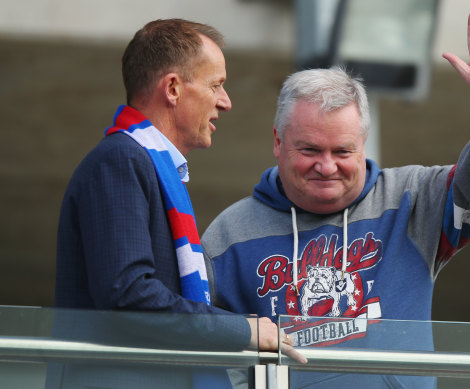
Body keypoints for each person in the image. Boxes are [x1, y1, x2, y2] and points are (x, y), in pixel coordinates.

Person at [202, 6, 470, 388]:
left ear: (362, 145)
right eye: (310, 150)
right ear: (278, 142)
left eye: (342, 152)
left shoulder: (414, 200)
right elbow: (199, 354)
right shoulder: (227, 236)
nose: (326, 167)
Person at [52, 18, 300, 389]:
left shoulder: (148, 166)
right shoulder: (121, 160)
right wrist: (242, 330)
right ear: (172, 88)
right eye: (216, 85)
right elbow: (128, 294)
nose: (226, 102)